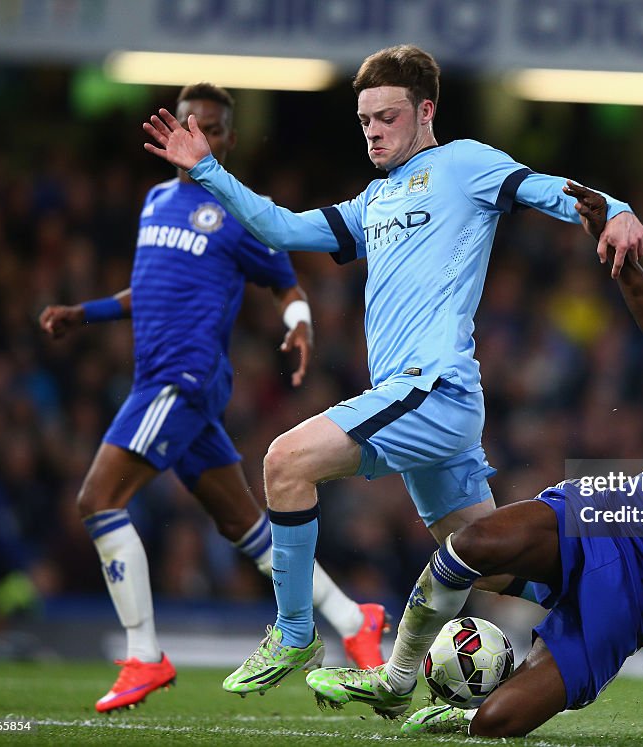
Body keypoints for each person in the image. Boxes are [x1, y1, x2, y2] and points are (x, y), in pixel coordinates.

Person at [140, 44, 643, 701]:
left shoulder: (462, 164)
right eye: (364, 119)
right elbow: (281, 228)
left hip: (431, 387)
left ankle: (294, 632)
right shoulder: (372, 202)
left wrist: (617, 206)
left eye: (387, 115)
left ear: (425, 110)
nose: (373, 129)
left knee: (286, 462)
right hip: (419, 400)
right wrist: (206, 170)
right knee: (484, 559)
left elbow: (545, 189)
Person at [307, 184, 643, 742]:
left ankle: (485, 704)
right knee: (470, 547)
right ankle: (396, 679)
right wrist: (611, 246)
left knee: (497, 724)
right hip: (607, 513)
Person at [40, 83, 386, 714]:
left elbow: (286, 282)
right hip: (159, 381)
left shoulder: (236, 214)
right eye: (185, 121)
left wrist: (299, 325)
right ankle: (350, 617)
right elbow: (147, 288)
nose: (193, 133)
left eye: (209, 127)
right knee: (246, 526)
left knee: (98, 500)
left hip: (183, 380)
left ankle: (144, 656)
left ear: (224, 141)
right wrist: (83, 314)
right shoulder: (154, 202)